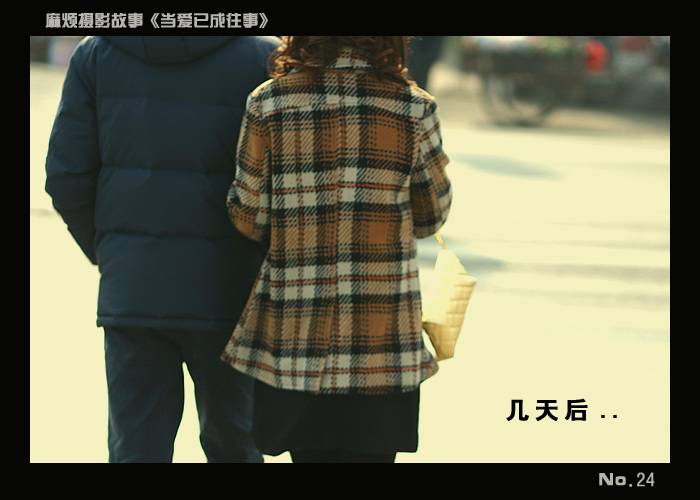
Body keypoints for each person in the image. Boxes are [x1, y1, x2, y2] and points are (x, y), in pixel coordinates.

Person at [44, 35, 280, 463]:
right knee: (237, 445)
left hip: (133, 291)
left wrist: (113, 252)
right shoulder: (261, 57)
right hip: (231, 291)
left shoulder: (97, 54)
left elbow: (66, 176)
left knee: (137, 449)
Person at [222, 36, 453, 463]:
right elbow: (431, 216)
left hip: (297, 337)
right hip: (382, 346)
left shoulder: (269, 103)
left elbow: (248, 214)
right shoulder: (413, 108)